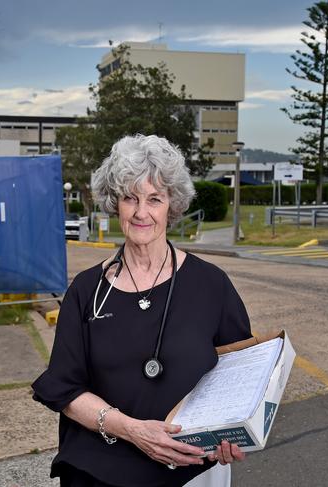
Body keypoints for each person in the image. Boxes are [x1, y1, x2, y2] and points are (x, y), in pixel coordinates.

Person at [32, 134, 251, 487]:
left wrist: (230, 434)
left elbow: (238, 377)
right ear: (114, 203)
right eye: (129, 198)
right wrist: (133, 431)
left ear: (172, 205)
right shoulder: (87, 291)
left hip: (191, 471)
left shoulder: (212, 285)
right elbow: (66, 390)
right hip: (99, 472)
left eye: (154, 199)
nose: (141, 212)